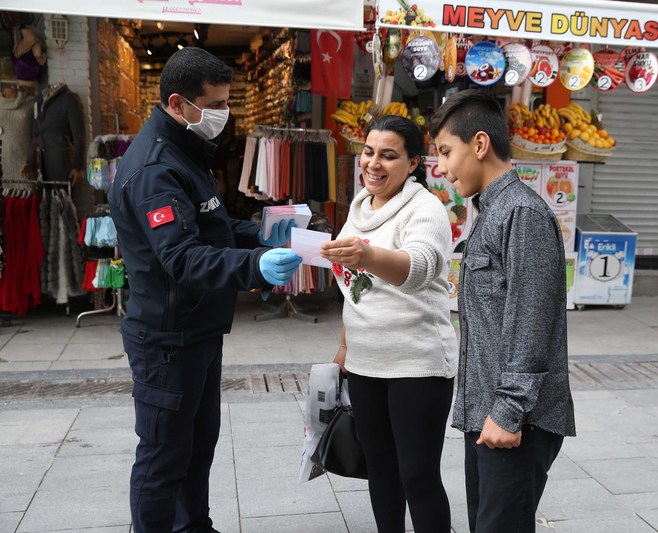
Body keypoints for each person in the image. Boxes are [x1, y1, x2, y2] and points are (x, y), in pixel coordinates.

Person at [108, 47, 302, 533]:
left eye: (226, 102)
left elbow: (207, 224)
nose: (223, 115)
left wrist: (257, 232)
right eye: (214, 105)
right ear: (178, 103)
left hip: (197, 332)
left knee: (197, 446)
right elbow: (182, 257)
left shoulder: (185, 150)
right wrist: (256, 266)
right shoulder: (157, 168)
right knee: (163, 458)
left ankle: (194, 526)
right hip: (167, 339)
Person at [430, 90, 576, 533]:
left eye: (445, 152)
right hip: (489, 415)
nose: (440, 167)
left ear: (479, 144)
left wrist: (508, 411)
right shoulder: (493, 211)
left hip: (515, 421)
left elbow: (532, 320)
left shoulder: (522, 214)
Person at [319, 115, 457, 533]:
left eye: (389, 156)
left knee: (417, 474)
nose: (373, 164)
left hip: (417, 364)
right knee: (380, 470)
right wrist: (345, 347)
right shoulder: (360, 207)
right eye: (368, 152)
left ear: (414, 162)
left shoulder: (425, 209)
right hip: (365, 363)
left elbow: (418, 268)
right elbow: (353, 286)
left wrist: (365, 256)